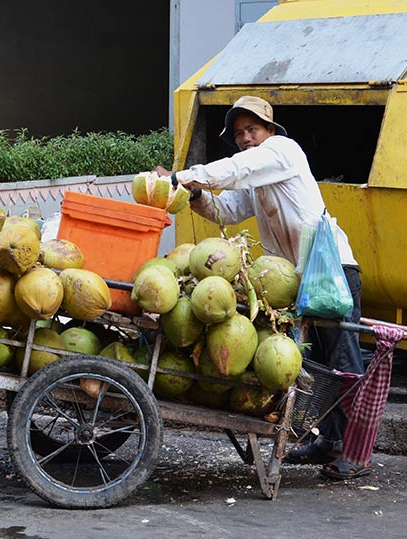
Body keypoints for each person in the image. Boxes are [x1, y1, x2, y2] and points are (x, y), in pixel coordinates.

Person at [157, 95, 367, 479]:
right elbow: (227, 211)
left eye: (251, 129)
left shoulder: (281, 151)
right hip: (297, 282)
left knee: (344, 364)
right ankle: (329, 442)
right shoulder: (260, 179)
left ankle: (357, 453)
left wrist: (183, 176)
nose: (245, 138)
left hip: (332, 273)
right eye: (238, 134)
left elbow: (237, 170)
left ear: (270, 130)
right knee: (317, 364)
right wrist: (197, 195)